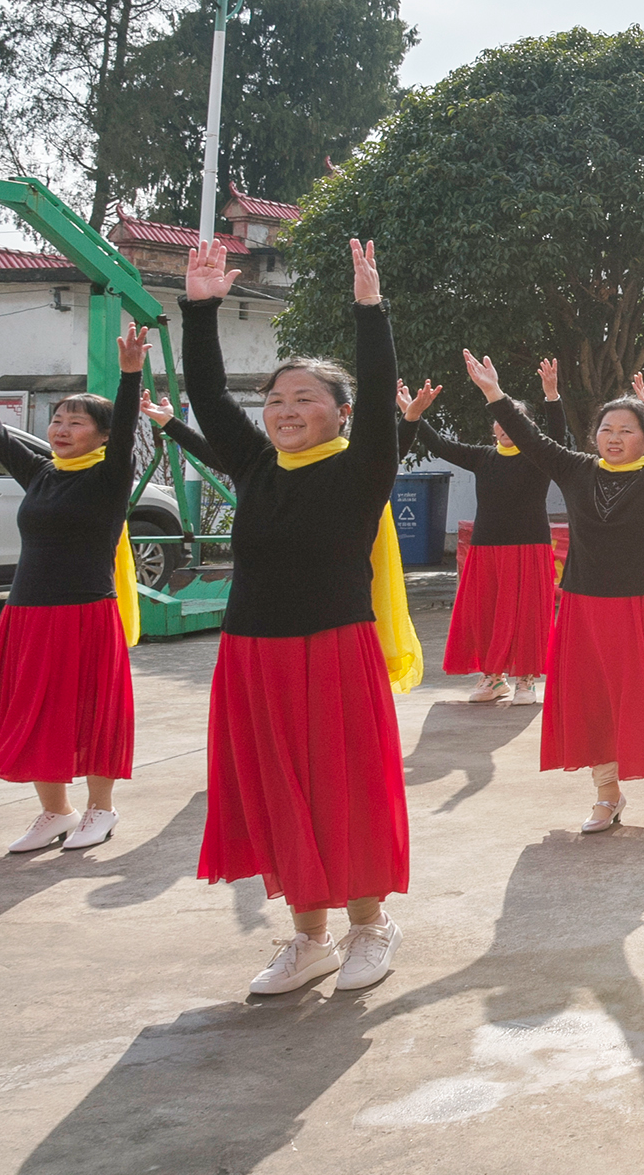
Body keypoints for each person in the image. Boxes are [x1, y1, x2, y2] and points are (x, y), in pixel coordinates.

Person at [181, 238, 415, 996]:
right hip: (254, 655)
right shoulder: (253, 467)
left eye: (304, 398)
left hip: (334, 652)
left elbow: (379, 395)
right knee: (282, 795)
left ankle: (370, 926)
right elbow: (210, 398)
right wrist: (200, 308)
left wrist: (369, 308)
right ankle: (309, 940)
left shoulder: (361, 466)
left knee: (343, 791)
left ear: (341, 415)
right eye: (276, 400)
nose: (285, 411)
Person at [462, 347, 644, 833]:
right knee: (594, 699)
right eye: (607, 429)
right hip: (585, 605)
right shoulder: (575, 470)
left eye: (627, 430)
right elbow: (532, 437)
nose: (614, 438)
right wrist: (494, 394)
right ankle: (606, 794)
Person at [0, 324, 147, 853]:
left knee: (90, 713)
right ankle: (55, 813)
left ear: (101, 436)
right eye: (56, 419)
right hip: (27, 614)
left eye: (75, 422)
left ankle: (101, 809)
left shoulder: (108, 476)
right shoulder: (40, 474)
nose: (60, 428)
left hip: (86, 613)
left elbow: (126, 428)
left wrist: (130, 376)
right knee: (35, 716)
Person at [393, 362, 571, 706]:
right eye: (500, 421)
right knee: (486, 614)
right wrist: (411, 414)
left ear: (527, 427)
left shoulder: (540, 457)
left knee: (528, 614)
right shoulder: (482, 457)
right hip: (486, 547)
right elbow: (440, 446)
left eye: (514, 420)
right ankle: (493, 678)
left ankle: (527, 680)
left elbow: (558, 435)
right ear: (493, 427)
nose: (506, 427)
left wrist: (552, 395)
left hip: (528, 545)